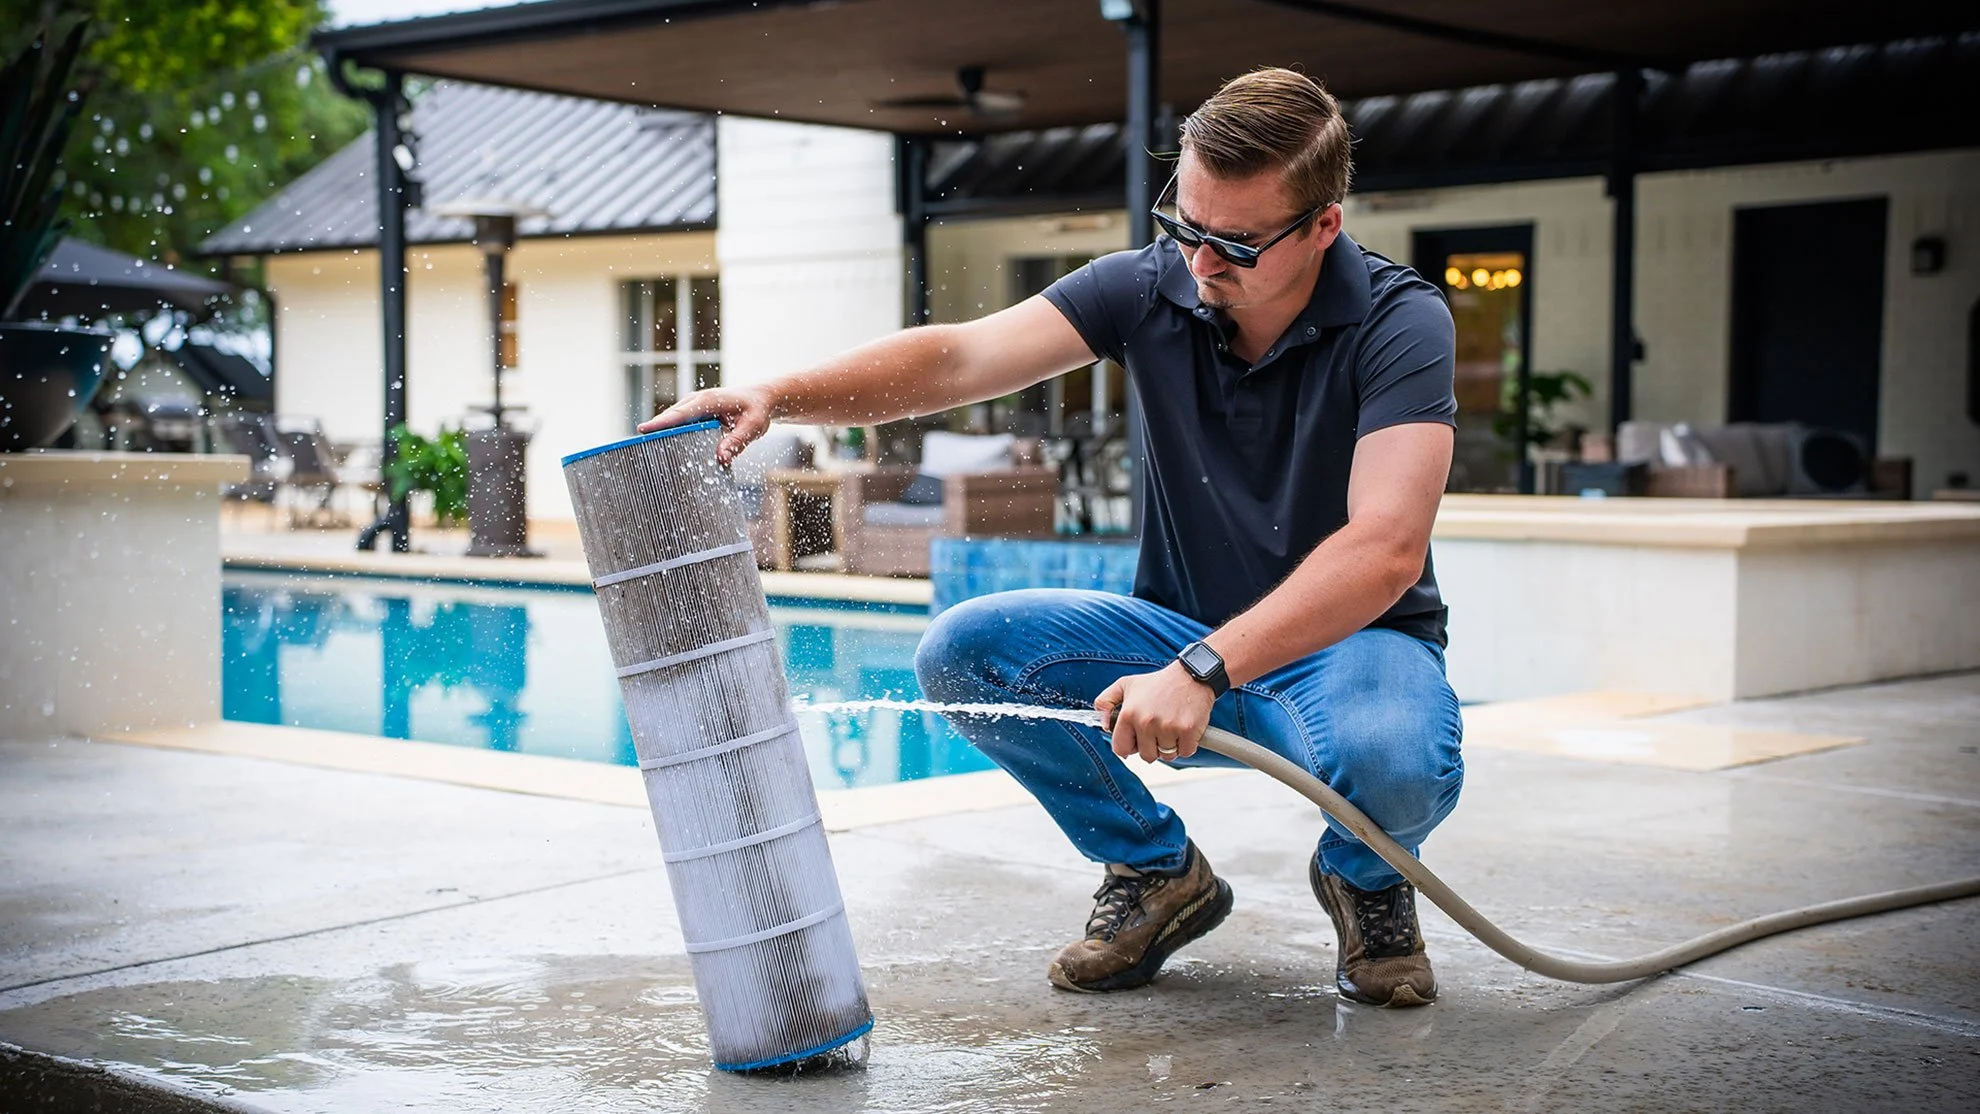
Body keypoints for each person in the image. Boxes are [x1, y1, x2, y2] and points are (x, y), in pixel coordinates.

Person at [640, 67, 1462, 1008]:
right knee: (967, 650)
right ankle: (1157, 874)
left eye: (1235, 241)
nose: (1200, 264)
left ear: (1325, 225)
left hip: (1348, 646)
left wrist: (1203, 670)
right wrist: (779, 394)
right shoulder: (1148, 290)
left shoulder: (1402, 323)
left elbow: (1386, 549)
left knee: (1400, 761)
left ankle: (1365, 877)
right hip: (1175, 637)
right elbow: (960, 355)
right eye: (1184, 224)